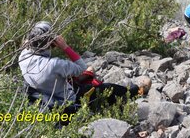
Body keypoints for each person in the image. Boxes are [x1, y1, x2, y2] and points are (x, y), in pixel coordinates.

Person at [19, 21, 151, 112]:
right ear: (50, 43)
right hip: (69, 100)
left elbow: (26, 46)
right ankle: (138, 91)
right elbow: (81, 66)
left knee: (89, 73)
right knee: (107, 89)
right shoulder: (54, 64)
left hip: (46, 95)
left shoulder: (23, 57)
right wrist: (65, 47)